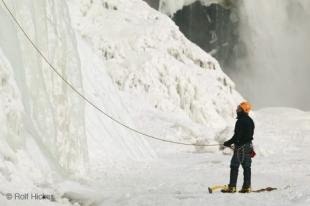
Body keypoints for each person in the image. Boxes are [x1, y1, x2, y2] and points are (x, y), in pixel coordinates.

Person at [221, 102, 255, 193]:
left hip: (241, 147)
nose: (237, 110)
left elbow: (237, 136)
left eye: (239, 108)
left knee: (234, 166)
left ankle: (232, 187)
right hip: (248, 146)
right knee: (247, 167)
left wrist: (228, 143)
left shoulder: (240, 121)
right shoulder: (250, 120)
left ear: (243, 110)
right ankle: (246, 187)